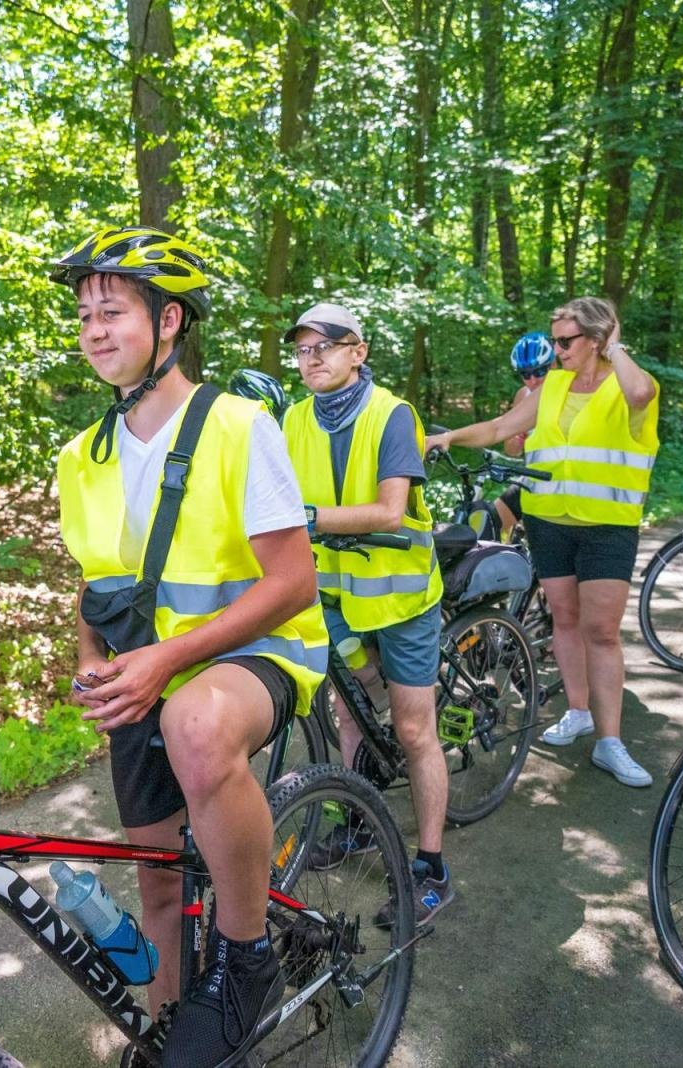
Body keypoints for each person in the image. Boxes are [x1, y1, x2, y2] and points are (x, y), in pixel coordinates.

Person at [51, 226, 327, 1066]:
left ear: (169, 322)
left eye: (114, 312)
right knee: (160, 881)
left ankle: (248, 962)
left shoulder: (240, 427)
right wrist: (86, 659)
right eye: (85, 316)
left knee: (197, 726)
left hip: (253, 658)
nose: (95, 330)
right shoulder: (83, 454)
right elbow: (97, 588)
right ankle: (173, 1034)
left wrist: (169, 662)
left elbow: (293, 583)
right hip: (144, 676)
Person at [425, 297, 659, 788]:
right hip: (549, 520)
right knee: (566, 621)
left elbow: (640, 394)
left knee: (603, 631)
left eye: (566, 341)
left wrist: (615, 349)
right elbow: (501, 428)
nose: (556, 350)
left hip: (607, 525)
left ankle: (610, 741)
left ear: (596, 340)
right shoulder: (551, 385)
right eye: (554, 340)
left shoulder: (626, 383)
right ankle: (578, 711)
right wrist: (447, 439)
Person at [280, 302, 453, 921]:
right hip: (333, 596)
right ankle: (355, 821)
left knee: (413, 731)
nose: (312, 359)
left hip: (401, 597)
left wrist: (305, 520)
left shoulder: (392, 414)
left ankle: (431, 867)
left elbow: (388, 511)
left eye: (325, 346)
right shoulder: (292, 419)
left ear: (359, 352)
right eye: (302, 350)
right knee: (348, 716)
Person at [492, 332, 556, 536]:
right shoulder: (523, 395)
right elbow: (511, 450)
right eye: (525, 374)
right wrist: (517, 436)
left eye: (539, 371)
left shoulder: (573, 390)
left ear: (554, 364)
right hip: (531, 479)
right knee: (488, 523)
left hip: (561, 486)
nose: (533, 380)